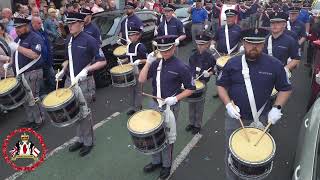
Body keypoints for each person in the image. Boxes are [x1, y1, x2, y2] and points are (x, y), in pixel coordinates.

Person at [216, 28, 292, 180]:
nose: (254, 47)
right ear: (243, 43)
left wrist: (277, 108)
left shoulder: (275, 65)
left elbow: (286, 88)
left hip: (261, 117)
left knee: (256, 157)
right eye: (250, 43)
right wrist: (228, 104)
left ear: (263, 44)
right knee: (232, 152)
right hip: (235, 118)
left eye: (258, 44)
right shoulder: (233, 63)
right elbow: (221, 85)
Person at [138, 35, 195, 179]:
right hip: (154, 104)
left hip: (170, 107)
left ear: (174, 48)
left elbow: (191, 88)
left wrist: (176, 98)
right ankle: (156, 161)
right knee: (153, 135)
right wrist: (148, 63)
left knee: (167, 138)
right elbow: (141, 79)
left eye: (168, 50)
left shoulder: (181, 67)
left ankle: (166, 165)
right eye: (162, 50)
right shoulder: (156, 63)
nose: (165, 53)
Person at [55, 12, 106, 157]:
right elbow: (67, 59)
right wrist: (62, 70)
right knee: (73, 113)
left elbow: (102, 61)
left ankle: (88, 141)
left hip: (84, 81)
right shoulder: (69, 40)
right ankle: (80, 138)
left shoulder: (90, 40)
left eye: (73, 23)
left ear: (81, 24)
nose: (69, 26)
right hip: (70, 81)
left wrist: (87, 70)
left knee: (84, 114)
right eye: (68, 24)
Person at [3, 17, 45, 130]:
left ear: (27, 26)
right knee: (25, 99)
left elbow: (34, 54)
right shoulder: (19, 39)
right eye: (16, 28)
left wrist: (17, 47)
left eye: (20, 27)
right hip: (21, 74)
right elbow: (16, 56)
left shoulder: (35, 37)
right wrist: (9, 63)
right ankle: (31, 119)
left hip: (33, 72)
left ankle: (39, 119)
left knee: (33, 97)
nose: (17, 30)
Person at [187, 32, 215, 134]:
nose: (200, 46)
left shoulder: (210, 57)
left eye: (202, 44)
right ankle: (191, 122)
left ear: (207, 44)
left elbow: (214, 69)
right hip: (193, 81)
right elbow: (189, 68)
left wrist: (210, 73)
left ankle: (197, 124)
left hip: (203, 82)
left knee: (199, 104)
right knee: (191, 103)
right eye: (198, 44)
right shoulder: (193, 55)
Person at [263, 12, 300, 78]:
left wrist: (285, 69)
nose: (274, 25)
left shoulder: (290, 40)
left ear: (284, 25)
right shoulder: (265, 39)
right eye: (272, 23)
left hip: (282, 73)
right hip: (266, 72)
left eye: (278, 23)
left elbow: (296, 59)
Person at [125, 25, 148, 115]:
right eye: (129, 35)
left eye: (133, 35)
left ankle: (138, 108)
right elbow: (128, 58)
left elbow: (147, 59)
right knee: (131, 90)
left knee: (138, 90)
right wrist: (122, 61)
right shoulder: (129, 46)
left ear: (138, 36)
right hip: (130, 71)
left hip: (139, 71)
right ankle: (133, 107)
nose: (130, 37)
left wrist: (139, 61)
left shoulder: (141, 46)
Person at [31, 16, 55, 95]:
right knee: (41, 82)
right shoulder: (31, 34)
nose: (41, 24)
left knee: (51, 77)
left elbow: (46, 44)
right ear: (33, 23)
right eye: (39, 23)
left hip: (47, 61)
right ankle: (43, 97)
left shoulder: (41, 31)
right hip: (39, 63)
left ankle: (53, 93)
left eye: (41, 22)